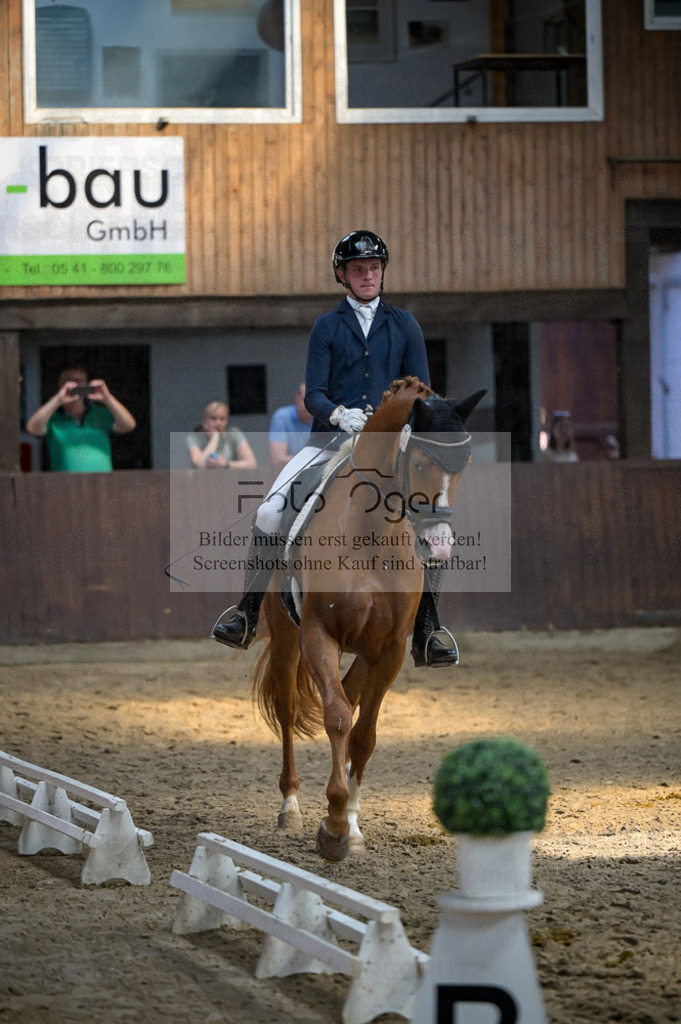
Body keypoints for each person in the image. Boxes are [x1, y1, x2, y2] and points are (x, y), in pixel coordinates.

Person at [212, 229, 460, 668]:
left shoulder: (405, 324)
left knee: (430, 518)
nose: (368, 276)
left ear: (383, 272)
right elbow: (314, 395)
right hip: (330, 441)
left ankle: (428, 629)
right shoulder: (328, 326)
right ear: (343, 276)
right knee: (270, 510)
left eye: (374, 268)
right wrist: (340, 414)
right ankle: (247, 613)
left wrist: (402, 424)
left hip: (391, 447)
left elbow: (423, 390)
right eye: (359, 269)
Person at [26, 365, 136, 472]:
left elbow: (128, 425)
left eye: (78, 381)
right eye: (67, 380)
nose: (73, 385)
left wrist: (107, 398)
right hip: (64, 484)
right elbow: (32, 428)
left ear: (87, 385)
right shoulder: (52, 416)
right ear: (60, 385)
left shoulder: (100, 413)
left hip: (102, 482)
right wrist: (58, 399)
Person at [186, 401, 257, 469]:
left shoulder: (234, 433)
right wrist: (215, 438)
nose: (218, 423)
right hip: (202, 479)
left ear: (226, 421)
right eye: (213, 419)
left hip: (228, 479)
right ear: (204, 421)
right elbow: (200, 466)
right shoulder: (193, 437)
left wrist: (226, 464)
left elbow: (252, 464)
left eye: (222, 419)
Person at [268, 384, 313, 469]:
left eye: (312, 401)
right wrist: (311, 461)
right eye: (304, 400)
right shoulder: (282, 416)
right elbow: (278, 460)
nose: (308, 406)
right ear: (297, 398)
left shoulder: (321, 419)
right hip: (285, 475)